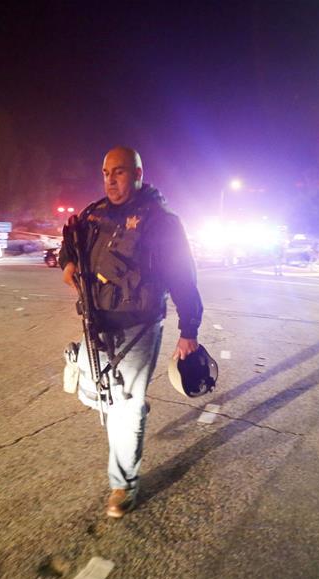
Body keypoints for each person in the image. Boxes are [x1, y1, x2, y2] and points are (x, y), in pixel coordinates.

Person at [60, 146, 203, 519]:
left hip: (139, 325)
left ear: (138, 175)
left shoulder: (162, 222)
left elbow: (182, 276)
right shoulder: (93, 214)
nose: (110, 179)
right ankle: (86, 366)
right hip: (96, 323)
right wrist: (69, 262)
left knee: (126, 405)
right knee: (104, 397)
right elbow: (68, 244)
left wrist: (189, 329)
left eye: (120, 172)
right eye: (106, 172)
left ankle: (123, 485)